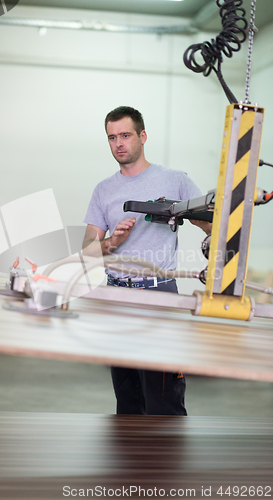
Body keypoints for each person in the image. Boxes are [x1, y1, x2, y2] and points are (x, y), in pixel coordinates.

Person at [83, 106, 211, 415]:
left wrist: (225, 227)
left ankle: (167, 462)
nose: (119, 144)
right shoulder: (104, 190)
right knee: (128, 398)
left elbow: (212, 225)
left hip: (159, 295)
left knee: (164, 397)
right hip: (117, 296)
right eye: (112, 138)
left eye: (125, 135)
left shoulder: (174, 180)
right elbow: (87, 251)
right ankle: (131, 462)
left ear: (142, 136)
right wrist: (112, 242)